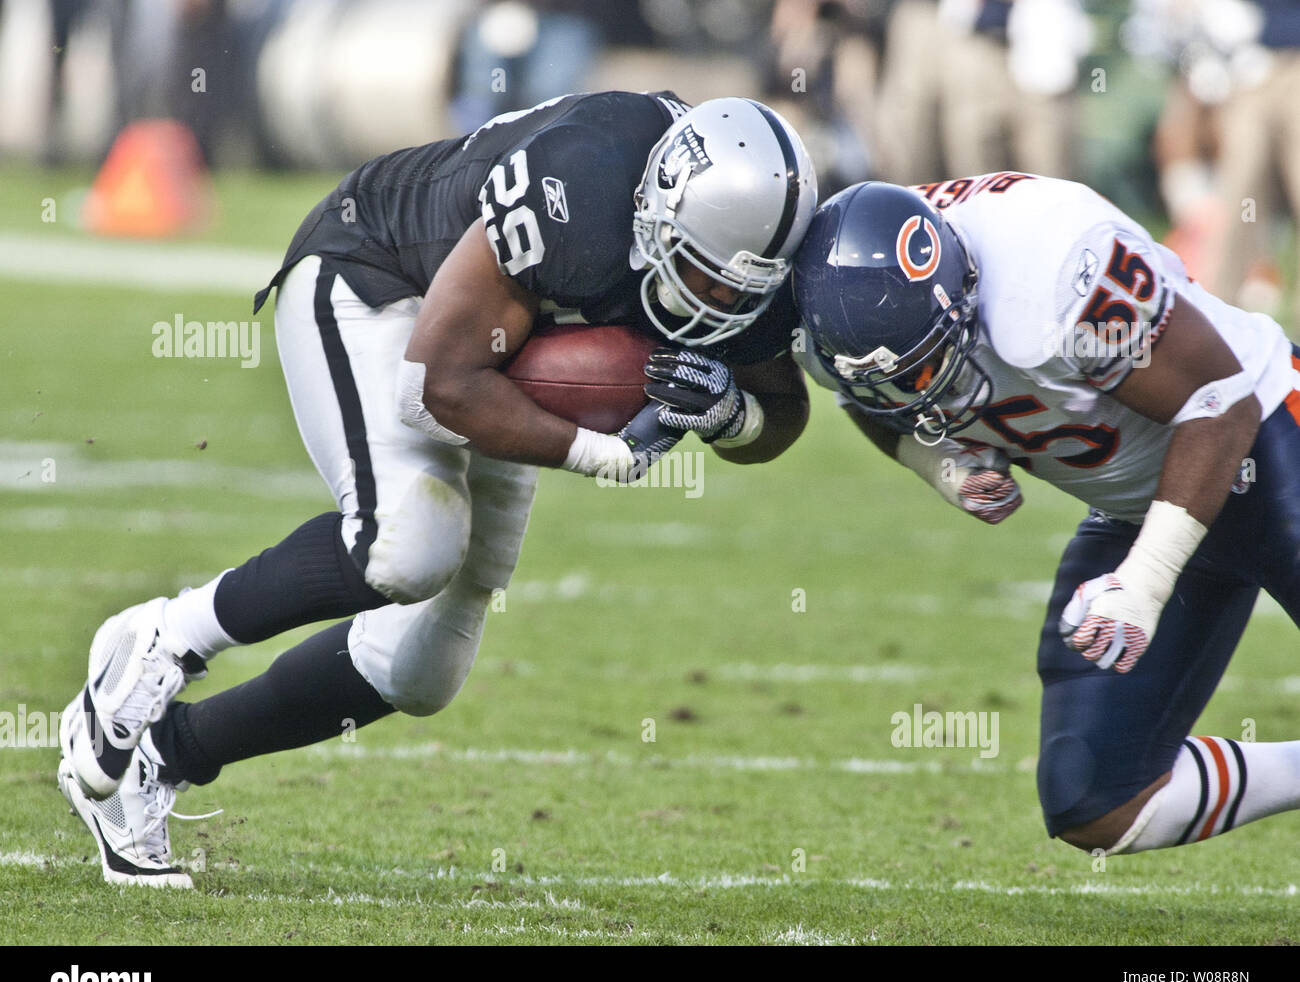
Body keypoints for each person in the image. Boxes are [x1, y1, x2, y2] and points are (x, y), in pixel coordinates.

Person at [58, 91, 818, 887]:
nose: (715, 303)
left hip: (503, 345)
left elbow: (784, 409)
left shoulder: (749, 249)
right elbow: (435, 384)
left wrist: (733, 416)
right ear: (659, 210)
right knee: (407, 543)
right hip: (380, 279)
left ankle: (165, 755)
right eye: (700, 272)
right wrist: (601, 453)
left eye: (740, 290)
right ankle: (161, 637)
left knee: (421, 669)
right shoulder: (580, 187)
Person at [791, 175, 1300, 857]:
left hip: (1262, 437)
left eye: (926, 364)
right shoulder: (839, 302)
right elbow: (866, 397)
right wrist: (937, 463)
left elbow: (1220, 399)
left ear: (960, 285)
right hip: (1139, 505)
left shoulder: (1056, 272)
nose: (922, 390)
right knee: (1096, 796)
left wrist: (1147, 580)